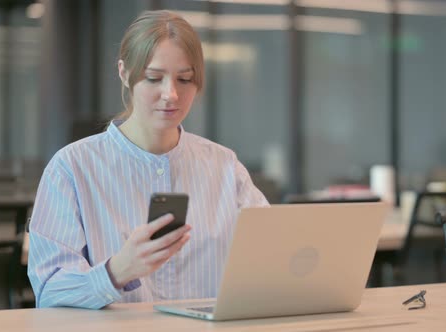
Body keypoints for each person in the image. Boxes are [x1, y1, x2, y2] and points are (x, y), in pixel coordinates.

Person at [28, 10, 268, 309]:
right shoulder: (72, 168)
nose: (171, 94)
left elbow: (273, 255)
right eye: (154, 78)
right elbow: (50, 292)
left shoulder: (224, 166)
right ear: (124, 73)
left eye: (185, 79)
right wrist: (118, 271)